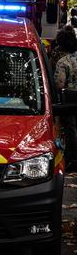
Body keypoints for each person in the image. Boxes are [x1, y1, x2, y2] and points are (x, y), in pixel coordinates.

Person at [55, 30, 77, 169]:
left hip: (70, 102)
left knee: (71, 130)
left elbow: (59, 84)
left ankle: (73, 159)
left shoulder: (63, 62)